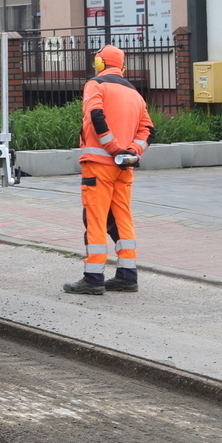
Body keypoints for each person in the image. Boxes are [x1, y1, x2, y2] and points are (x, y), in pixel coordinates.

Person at [64, 44, 154, 295]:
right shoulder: (135, 94)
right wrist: (132, 152)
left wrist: (114, 149)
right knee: (123, 217)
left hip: (99, 165)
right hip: (124, 167)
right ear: (122, 67)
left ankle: (93, 278)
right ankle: (127, 275)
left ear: (100, 63)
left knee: (95, 218)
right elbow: (148, 130)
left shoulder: (96, 85)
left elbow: (96, 116)